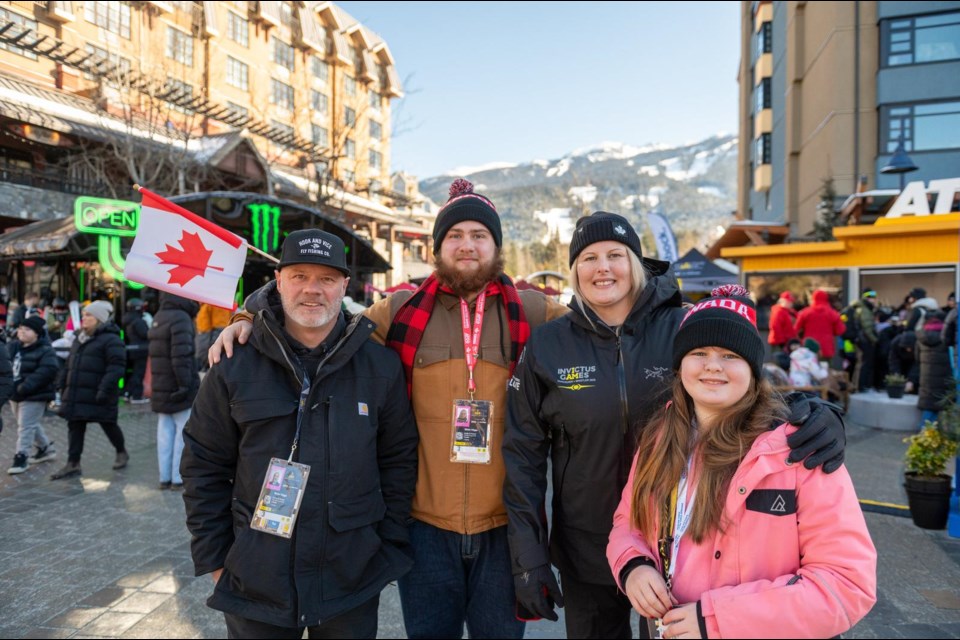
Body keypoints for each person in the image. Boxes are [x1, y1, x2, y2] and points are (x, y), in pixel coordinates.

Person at [210, 179, 570, 639]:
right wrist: (248, 315)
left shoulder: (535, 311)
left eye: (479, 235)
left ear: (496, 246)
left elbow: (598, 327)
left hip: (505, 528)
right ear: (438, 247)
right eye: (454, 235)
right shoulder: (399, 310)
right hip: (423, 529)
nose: (467, 245)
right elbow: (319, 319)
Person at [501, 215, 849, 639]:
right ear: (574, 270)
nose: (602, 267)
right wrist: (528, 555)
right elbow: (522, 454)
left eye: (615, 254)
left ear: (636, 262)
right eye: (589, 257)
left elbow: (741, 379)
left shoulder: (683, 325)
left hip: (681, 548)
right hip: (589, 543)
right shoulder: (549, 343)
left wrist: (814, 412)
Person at [180, 229, 419, 638]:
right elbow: (203, 464)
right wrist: (216, 559)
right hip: (255, 577)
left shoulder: (379, 366)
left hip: (351, 578)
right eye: (300, 276)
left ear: (345, 285)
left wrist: (387, 546)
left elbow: (398, 461)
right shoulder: (235, 363)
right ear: (278, 281)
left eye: (326, 279)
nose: (313, 290)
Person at [607, 285, 877, 639]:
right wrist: (633, 565)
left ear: (752, 370)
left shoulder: (799, 449)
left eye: (730, 355)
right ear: (679, 364)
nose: (712, 366)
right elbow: (629, 521)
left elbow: (846, 584)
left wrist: (717, 620)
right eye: (699, 352)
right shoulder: (660, 437)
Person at [50, 300, 129, 480]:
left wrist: (104, 389)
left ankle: (121, 451)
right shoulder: (80, 338)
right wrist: (61, 382)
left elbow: (116, 367)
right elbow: (70, 363)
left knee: (108, 424)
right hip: (77, 392)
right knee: (75, 426)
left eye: (88, 315)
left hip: (99, 393)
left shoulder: (112, 339)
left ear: (99, 319)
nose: (83, 318)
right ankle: (73, 463)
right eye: (84, 314)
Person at [148, 292, 200, 490]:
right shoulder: (181, 318)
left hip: (161, 385)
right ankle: (178, 478)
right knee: (182, 432)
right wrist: (185, 385)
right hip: (178, 385)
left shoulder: (158, 316)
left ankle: (164, 477)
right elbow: (182, 356)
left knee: (164, 433)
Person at [6, 316, 59, 474]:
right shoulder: (13, 346)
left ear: (37, 333)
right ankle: (46, 449)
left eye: (27, 329)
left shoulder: (46, 350)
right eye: (21, 328)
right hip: (14, 393)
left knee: (26, 426)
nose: (22, 331)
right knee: (29, 424)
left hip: (34, 394)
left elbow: (47, 371)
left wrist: (26, 386)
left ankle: (21, 457)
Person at [916, 305, 953, 429]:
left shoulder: (921, 337)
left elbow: (916, 358)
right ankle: (932, 438)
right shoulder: (946, 338)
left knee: (928, 408)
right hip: (944, 378)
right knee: (939, 409)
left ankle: (923, 438)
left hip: (926, 378)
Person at [794, 289, 844, 362]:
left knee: (808, 370)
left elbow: (796, 329)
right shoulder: (832, 313)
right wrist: (831, 331)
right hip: (826, 348)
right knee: (824, 370)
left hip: (809, 348)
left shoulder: (805, 312)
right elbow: (841, 330)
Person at [122, 297, 150, 404]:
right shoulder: (138, 321)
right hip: (141, 349)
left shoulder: (129, 319)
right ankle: (136, 396)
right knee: (139, 373)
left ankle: (128, 393)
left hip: (134, 349)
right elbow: (145, 334)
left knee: (134, 373)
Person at [853, 290, 879, 392]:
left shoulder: (864, 309)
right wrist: (875, 340)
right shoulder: (864, 310)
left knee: (863, 363)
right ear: (867, 298)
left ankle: (861, 385)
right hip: (865, 341)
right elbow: (867, 327)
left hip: (862, 340)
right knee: (865, 363)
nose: (874, 299)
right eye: (872, 297)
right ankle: (861, 386)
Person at [194, 302, 231, 372]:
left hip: (206, 351)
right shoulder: (207, 303)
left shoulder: (216, 302)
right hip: (204, 339)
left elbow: (218, 331)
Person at [889, 329, 920, 394]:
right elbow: (893, 361)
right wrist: (897, 377)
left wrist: (911, 380)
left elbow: (917, 364)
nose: (908, 350)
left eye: (910, 348)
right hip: (900, 361)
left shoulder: (919, 345)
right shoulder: (895, 343)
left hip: (913, 362)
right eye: (906, 347)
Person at [766, 291, 797, 355]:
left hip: (787, 342)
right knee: (779, 360)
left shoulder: (788, 311)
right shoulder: (778, 311)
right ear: (783, 301)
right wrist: (782, 343)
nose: (791, 304)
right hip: (780, 343)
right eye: (789, 302)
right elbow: (775, 326)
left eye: (791, 302)